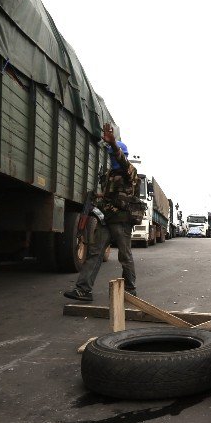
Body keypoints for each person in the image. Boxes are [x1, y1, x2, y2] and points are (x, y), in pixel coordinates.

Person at [63, 124, 140, 302]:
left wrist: (113, 143)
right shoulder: (108, 174)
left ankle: (130, 291)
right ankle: (83, 289)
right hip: (106, 219)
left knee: (125, 256)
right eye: (111, 155)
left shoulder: (129, 171)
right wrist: (97, 196)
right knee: (94, 253)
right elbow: (109, 195)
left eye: (114, 154)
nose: (112, 157)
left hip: (122, 220)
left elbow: (121, 160)